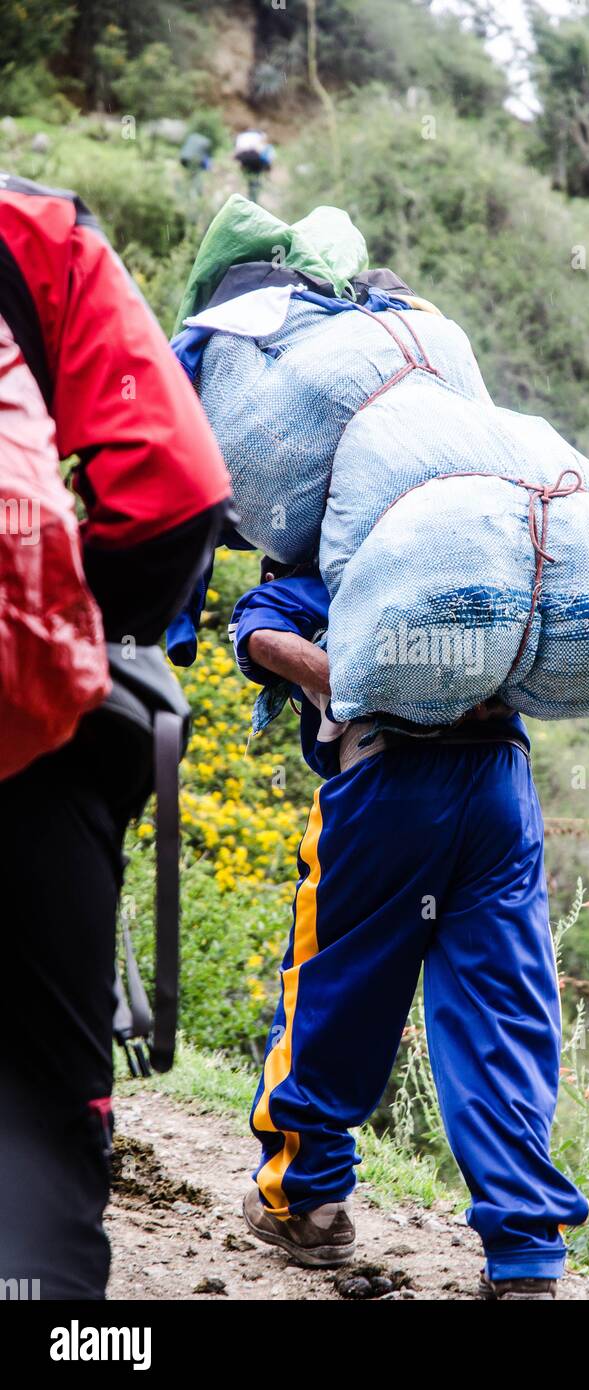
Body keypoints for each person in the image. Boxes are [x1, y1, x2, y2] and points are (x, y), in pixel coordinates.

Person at [231, 563, 589, 1301]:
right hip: (500, 789)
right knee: (502, 1014)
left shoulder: (348, 548)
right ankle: (524, 1252)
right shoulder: (489, 555)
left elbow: (261, 633)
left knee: (337, 988)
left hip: (389, 787)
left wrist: (350, 678)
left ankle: (307, 1204)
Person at [0, 174, 231, 1299]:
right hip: (26, 737)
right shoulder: (32, 229)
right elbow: (176, 495)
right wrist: (77, 638)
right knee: (38, 1114)